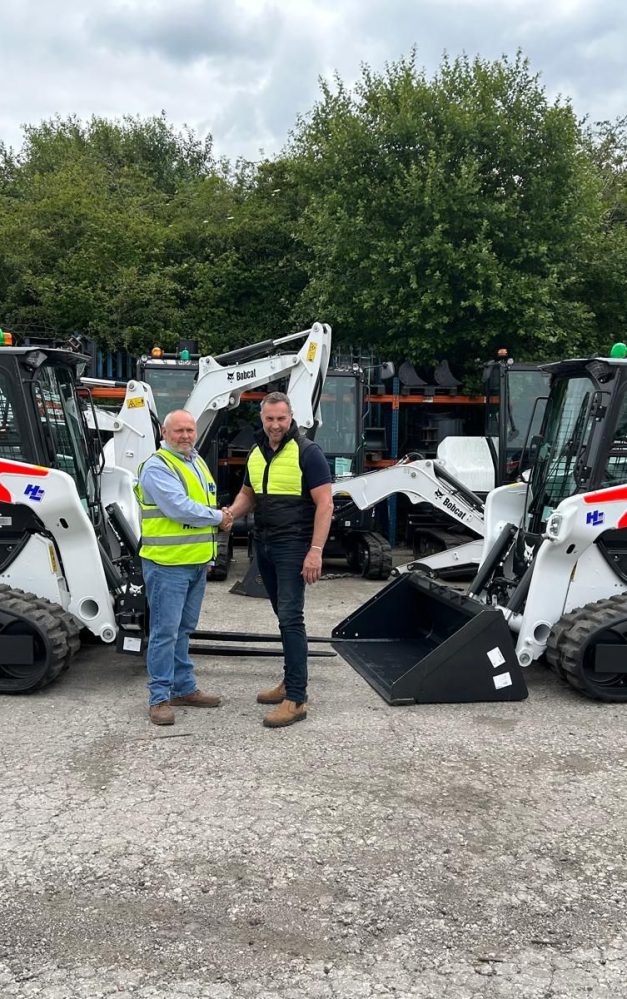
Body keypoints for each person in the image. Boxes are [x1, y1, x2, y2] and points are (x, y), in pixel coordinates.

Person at [225, 391, 334, 728]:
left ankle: (297, 698)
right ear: (262, 418)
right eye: (270, 419)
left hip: (293, 547)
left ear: (291, 418)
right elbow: (249, 494)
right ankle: (290, 682)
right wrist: (229, 515)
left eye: (281, 419)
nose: (275, 425)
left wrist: (315, 551)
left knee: (290, 618)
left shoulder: (307, 452)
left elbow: (325, 504)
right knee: (282, 616)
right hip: (266, 544)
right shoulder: (257, 453)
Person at [135, 409, 233, 726]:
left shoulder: (196, 461)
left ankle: (184, 687)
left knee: (182, 630)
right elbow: (179, 509)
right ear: (164, 432)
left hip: (194, 564)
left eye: (190, 430)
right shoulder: (157, 466)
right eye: (179, 430)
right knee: (165, 632)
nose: (186, 435)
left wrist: (209, 557)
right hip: (167, 566)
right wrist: (220, 517)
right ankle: (159, 698)